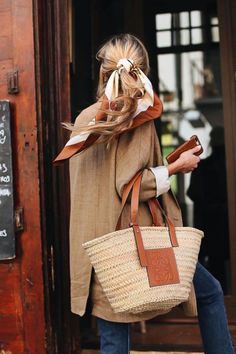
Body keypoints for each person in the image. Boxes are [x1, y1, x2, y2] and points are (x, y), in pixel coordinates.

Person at [54, 34, 235, 354]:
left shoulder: (86, 119)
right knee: (209, 293)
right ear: (144, 71)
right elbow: (131, 183)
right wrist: (176, 167)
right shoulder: (136, 117)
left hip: (98, 247)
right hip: (134, 241)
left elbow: (105, 180)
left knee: (113, 332)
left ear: (102, 72)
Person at [187, 126, 230, 293]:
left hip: (212, 223)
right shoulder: (206, 166)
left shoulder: (205, 166)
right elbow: (194, 193)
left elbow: (193, 193)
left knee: (215, 264)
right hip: (215, 222)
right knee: (216, 264)